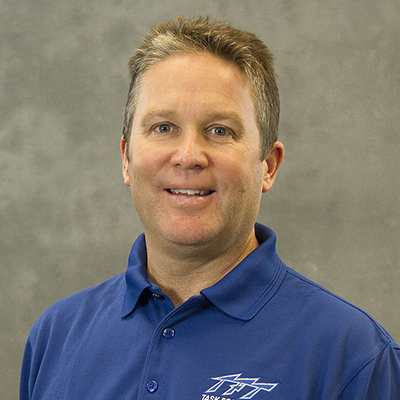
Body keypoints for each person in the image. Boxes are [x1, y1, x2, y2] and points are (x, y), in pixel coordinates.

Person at [20, 16, 400, 399]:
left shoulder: (354, 356)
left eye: (220, 131)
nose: (188, 156)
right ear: (126, 158)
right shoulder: (56, 337)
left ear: (268, 166)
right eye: (163, 127)